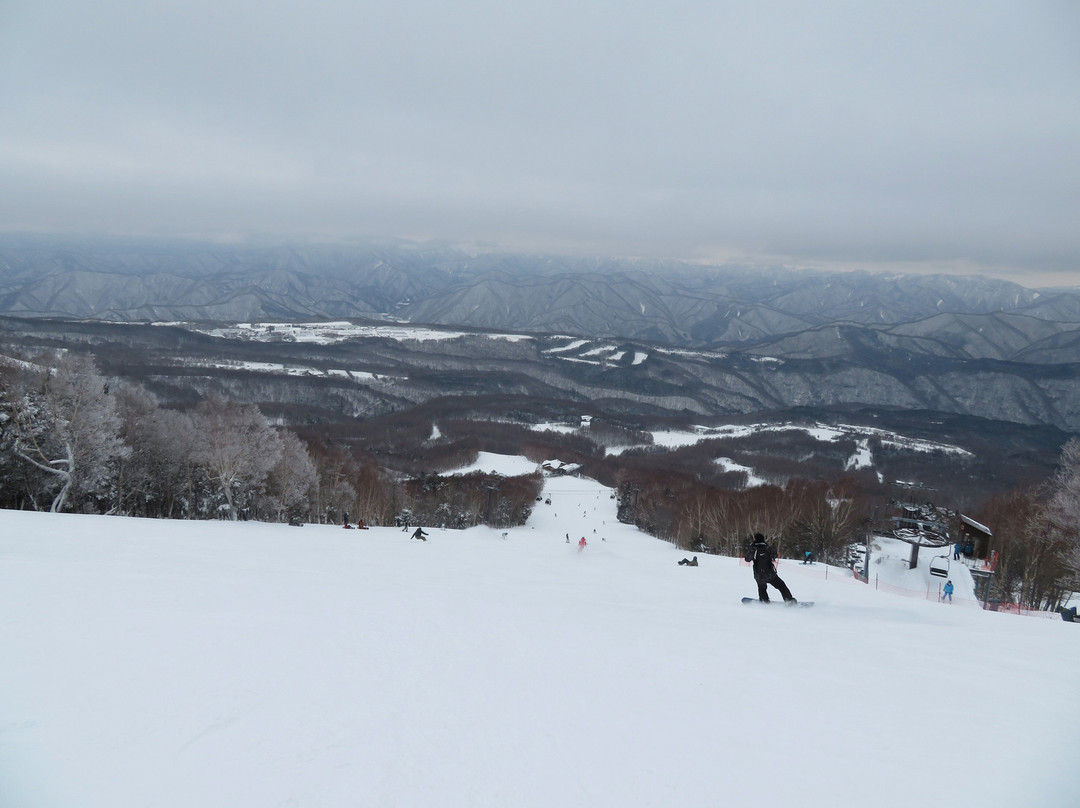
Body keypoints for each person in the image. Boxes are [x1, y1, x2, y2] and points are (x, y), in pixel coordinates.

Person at [744, 533, 796, 603]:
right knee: (781, 585)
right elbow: (775, 555)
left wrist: (751, 548)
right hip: (770, 574)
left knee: (762, 588)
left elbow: (747, 559)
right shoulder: (768, 548)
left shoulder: (753, 549)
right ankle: (789, 600)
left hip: (759, 575)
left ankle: (764, 600)